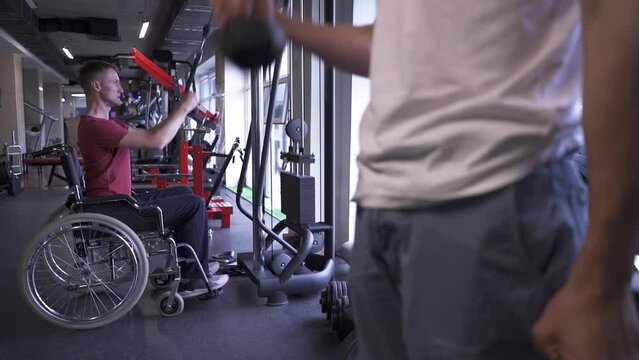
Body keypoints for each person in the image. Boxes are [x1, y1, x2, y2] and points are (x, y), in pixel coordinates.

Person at [211, 1, 639, 359]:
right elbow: (392, 45)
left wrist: (605, 277)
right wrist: (281, 24)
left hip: (493, 196)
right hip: (382, 207)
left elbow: (618, 15)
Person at [76, 60, 229, 295]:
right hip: (115, 210)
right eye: (115, 82)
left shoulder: (108, 123)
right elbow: (156, 142)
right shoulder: (96, 126)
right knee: (195, 205)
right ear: (96, 86)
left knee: (184, 192)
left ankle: (190, 263)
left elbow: (151, 134)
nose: (120, 88)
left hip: (122, 201)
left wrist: (180, 112)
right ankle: (193, 279)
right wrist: (183, 108)